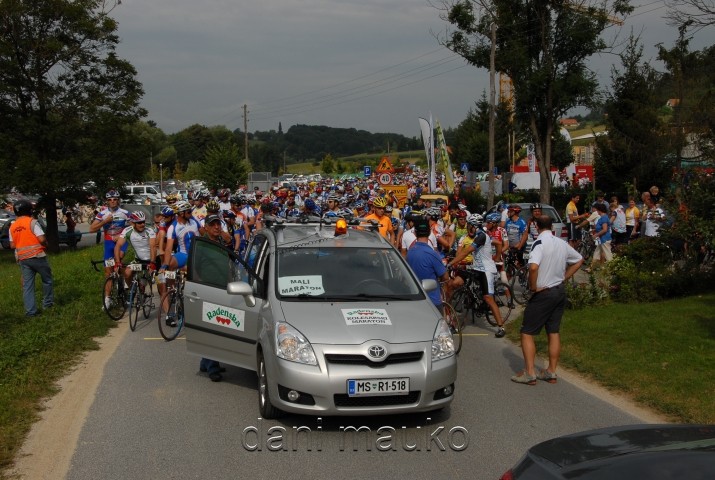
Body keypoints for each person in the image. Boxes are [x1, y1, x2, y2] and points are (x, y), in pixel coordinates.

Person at [511, 215, 583, 385]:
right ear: (552, 226)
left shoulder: (539, 243)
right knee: (553, 331)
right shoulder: (561, 243)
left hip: (544, 292)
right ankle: (551, 371)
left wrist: (533, 286)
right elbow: (579, 260)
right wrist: (564, 277)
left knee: (527, 332)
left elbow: (534, 266)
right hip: (558, 290)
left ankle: (529, 373)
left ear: (536, 226)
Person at [447, 214, 506, 338]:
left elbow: (467, 251)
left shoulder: (481, 236)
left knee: (488, 298)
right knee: (460, 284)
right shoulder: (478, 235)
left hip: (486, 270)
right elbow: (498, 244)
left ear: (473, 226)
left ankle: (501, 326)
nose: (468, 227)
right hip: (476, 268)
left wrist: (452, 263)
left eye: (469, 225)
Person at [9, 199, 54, 317]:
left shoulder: (12, 226)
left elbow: (12, 245)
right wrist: (46, 245)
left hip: (23, 259)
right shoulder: (32, 222)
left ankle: (30, 312)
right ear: (28, 210)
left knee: (27, 286)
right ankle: (47, 304)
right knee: (47, 280)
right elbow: (42, 239)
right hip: (37, 256)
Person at [199, 214, 227, 382]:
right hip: (208, 290)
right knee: (213, 329)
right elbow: (194, 266)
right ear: (206, 227)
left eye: (218, 224)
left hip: (222, 290)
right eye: (213, 224)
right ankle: (212, 367)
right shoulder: (202, 244)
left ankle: (205, 362)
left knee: (218, 328)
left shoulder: (221, 242)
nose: (217, 227)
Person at [89, 190, 129, 309]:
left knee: (119, 265)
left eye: (115, 199)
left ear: (118, 200)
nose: (113, 202)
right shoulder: (102, 214)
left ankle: (124, 290)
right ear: (107, 201)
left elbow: (133, 226)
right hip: (108, 244)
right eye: (110, 200)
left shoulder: (125, 213)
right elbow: (92, 229)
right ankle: (108, 299)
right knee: (108, 272)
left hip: (121, 244)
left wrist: (122, 236)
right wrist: (105, 221)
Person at [406, 218, 450, 311]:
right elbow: (445, 277)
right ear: (430, 232)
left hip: (413, 298)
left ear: (415, 233)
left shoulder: (410, 252)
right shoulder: (432, 254)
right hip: (432, 301)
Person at [114, 211, 157, 289]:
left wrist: (152, 262)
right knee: (127, 273)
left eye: (143, 222)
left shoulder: (149, 230)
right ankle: (131, 291)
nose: (142, 224)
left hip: (150, 261)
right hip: (138, 260)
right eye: (139, 223)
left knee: (143, 286)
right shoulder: (127, 231)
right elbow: (118, 246)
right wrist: (117, 262)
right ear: (133, 223)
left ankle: (142, 292)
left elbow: (153, 247)